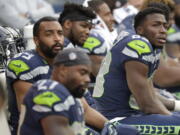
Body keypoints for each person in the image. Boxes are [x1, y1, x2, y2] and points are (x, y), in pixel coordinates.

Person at [93, 7, 180, 134]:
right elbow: (148, 105)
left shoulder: (151, 46)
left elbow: (150, 95)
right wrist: (173, 119)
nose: (163, 31)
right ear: (140, 29)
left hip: (130, 115)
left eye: (165, 26)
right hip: (117, 119)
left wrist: (177, 106)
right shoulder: (138, 44)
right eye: (156, 25)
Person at [18, 48, 140, 135]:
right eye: (82, 73)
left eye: (88, 74)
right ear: (63, 71)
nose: (87, 79)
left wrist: (112, 128)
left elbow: (86, 111)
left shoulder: (71, 94)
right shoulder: (48, 92)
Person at [6, 16, 64, 135]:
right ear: (36, 40)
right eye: (49, 34)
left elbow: (86, 108)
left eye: (60, 33)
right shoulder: (23, 63)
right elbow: (30, 117)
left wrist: (109, 126)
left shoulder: (65, 62)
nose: (57, 38)